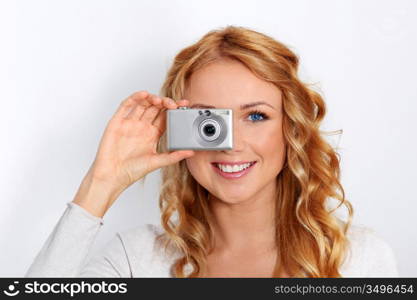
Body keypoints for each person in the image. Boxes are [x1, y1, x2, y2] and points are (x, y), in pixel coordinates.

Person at [25, 25, 399, 278]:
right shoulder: (139, 260)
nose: (232, 143)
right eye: (208, 121)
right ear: (178, 129)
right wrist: (100, 185)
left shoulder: (359, 260)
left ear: (291, 128)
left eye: (255, 115)